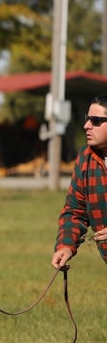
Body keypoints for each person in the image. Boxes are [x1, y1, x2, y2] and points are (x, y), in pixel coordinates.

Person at [52, 94, 107, 269]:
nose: (86, 126)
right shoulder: (86, 158)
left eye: (96, 121)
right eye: (87, 119)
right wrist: (66, 246)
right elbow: (75, 211)